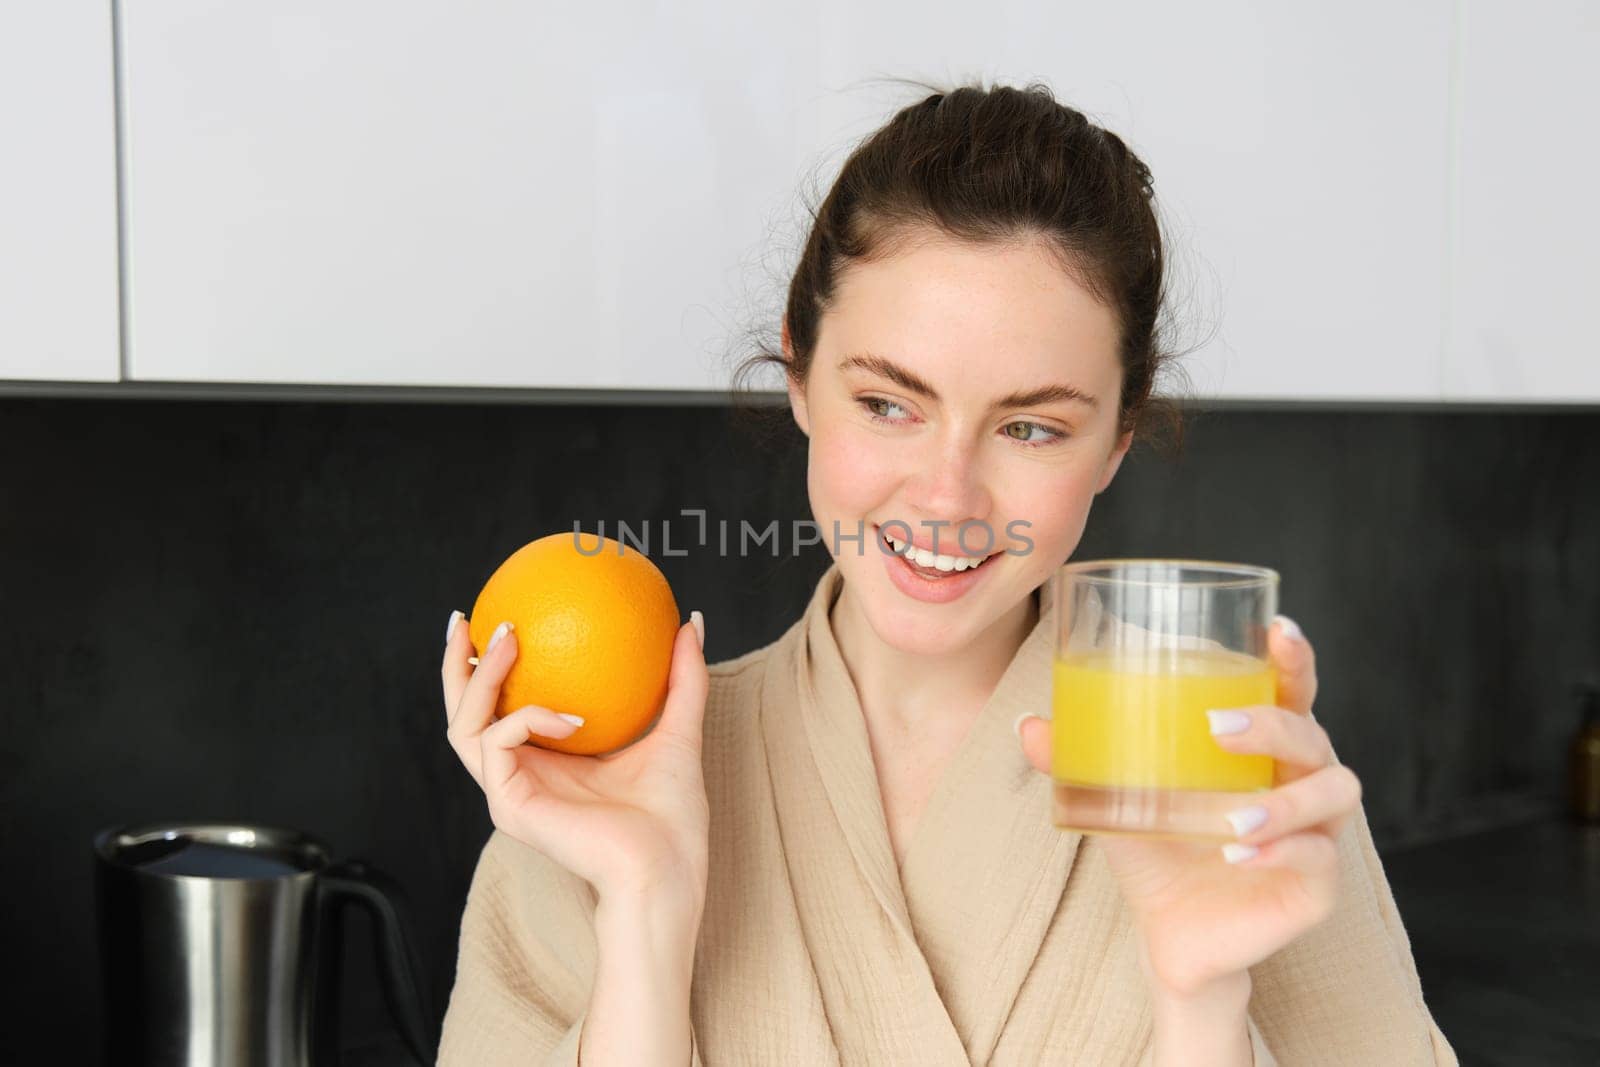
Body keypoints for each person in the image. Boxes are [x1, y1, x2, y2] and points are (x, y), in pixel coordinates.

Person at [436, 81, 1458, 1065]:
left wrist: (1202, 1001)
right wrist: (647, 914)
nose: (946, 497)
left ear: (1115, 437)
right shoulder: (607, 783)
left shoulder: (1226, 774)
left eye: (1029, 425)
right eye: (889, 403)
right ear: (798, 369)